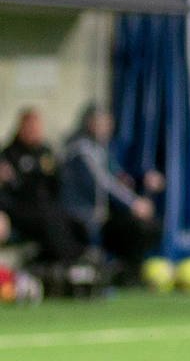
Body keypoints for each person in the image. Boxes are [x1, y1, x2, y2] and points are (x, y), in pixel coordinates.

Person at [60, 105, 161, 281]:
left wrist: (140, 180)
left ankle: (126, 273)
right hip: (83, 215)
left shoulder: (103, 148)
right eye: (103, 122)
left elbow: (117, 177)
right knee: (136, 227)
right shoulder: (81, 149)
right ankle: (122, 275)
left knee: (150, 226)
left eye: (109, 122)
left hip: (104, 214)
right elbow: (102, 183)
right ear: (91, 123)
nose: (108, 126)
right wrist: (134, 203)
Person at [1, 108, 85, 272]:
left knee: (74, 222)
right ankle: (71, 264)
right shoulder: (8, 154)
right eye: (30, 126)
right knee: (48, 220)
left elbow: (57, 183)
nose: (34, 131)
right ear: (21, 127)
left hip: (48, 208)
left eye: (36, 127)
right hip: (20, 211)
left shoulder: (46, 152)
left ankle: (75, 260)